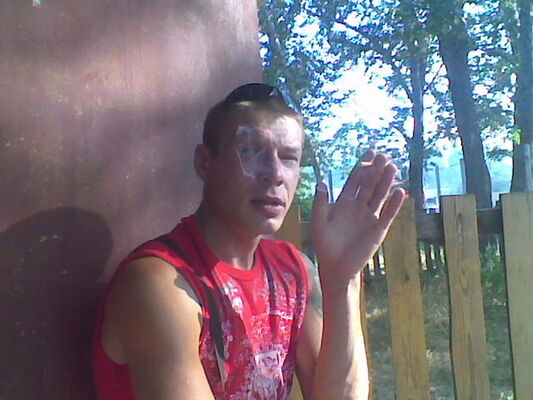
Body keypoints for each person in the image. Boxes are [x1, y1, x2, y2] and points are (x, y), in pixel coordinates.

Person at [92, 83, 406, 400]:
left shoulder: (292, 269)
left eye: (289, 158)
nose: (275, 174)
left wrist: (343, 281)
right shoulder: (159, 282)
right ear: (205, 163)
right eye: (251, 152)